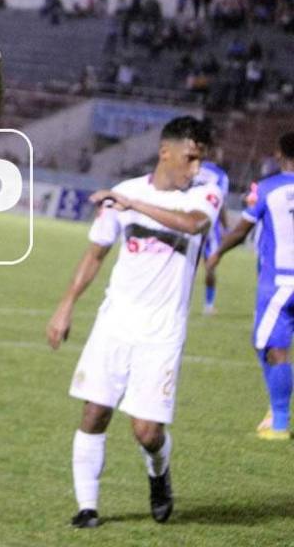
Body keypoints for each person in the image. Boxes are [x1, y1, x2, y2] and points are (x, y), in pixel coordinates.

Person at [46, 117, 221, 528]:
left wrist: (136, 208)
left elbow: (195, 224)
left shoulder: (205, 194)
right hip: (115, 323)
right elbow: (94, 255)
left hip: (162, 331)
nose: (195, 169)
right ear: (166, 152)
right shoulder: (125, 193)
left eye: (200, 161)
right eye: (190, 159)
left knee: (146, 431)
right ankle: (87, 508)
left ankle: (159, 475)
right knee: (94, 413)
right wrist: (65, 306)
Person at [205, 132, 294, 439]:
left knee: (271, 347)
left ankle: (279, 422)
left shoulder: (269, 188)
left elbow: (242, 230)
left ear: (280, 154)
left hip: (280, 281)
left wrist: (216, 252)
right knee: (271, 345)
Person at [195, 145, 230, 315]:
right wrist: (226, 226)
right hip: (210, 224)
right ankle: (208, 305)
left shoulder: (194, 169)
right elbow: (221, 203)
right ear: (218, 157)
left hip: (186, 220)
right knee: (210, 265)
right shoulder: (221, 176)